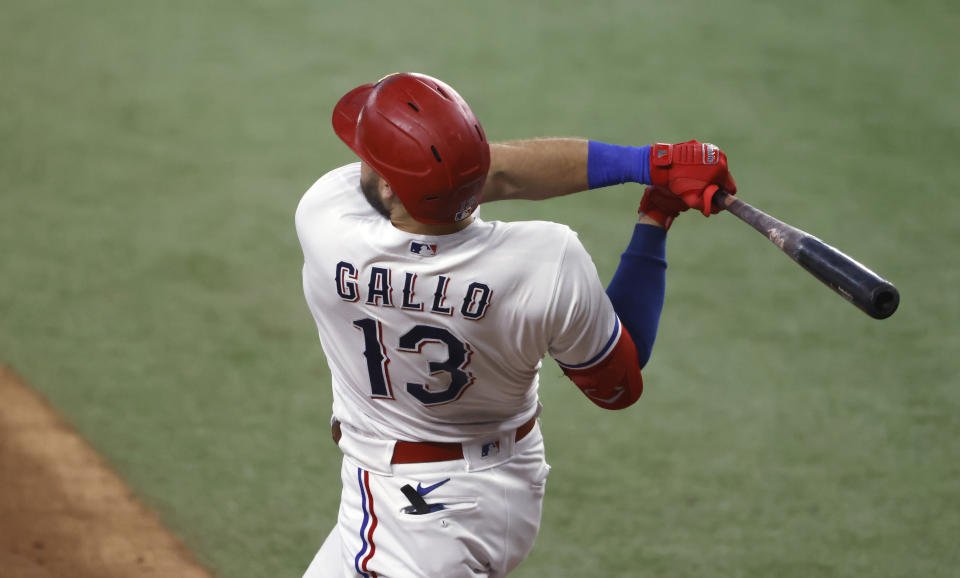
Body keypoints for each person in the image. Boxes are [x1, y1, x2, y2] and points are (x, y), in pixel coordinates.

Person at [296, 72, 736, 577]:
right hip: (498, 485)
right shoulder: (545, 261)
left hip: (418, 518)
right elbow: (618, 386)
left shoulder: (327, 220)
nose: (360, 164)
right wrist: (654, 201)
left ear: (392, 188)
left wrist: (646, 167)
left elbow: (489, 176)